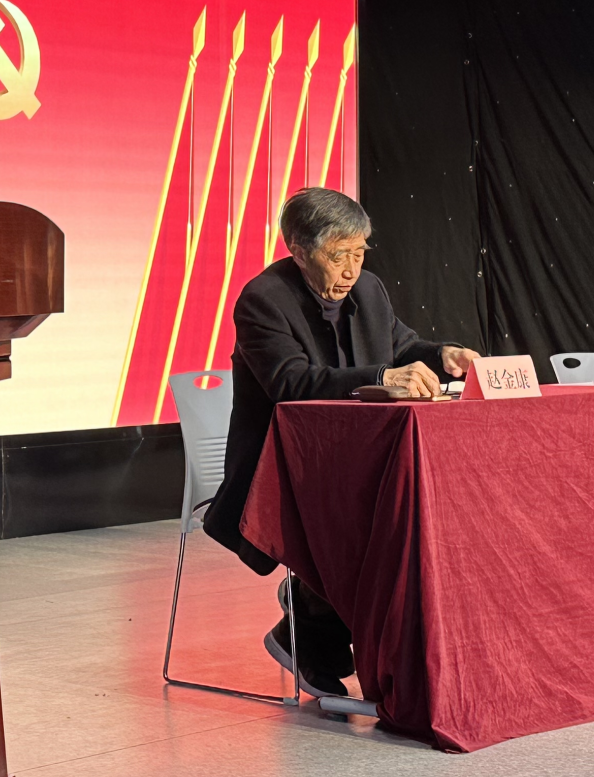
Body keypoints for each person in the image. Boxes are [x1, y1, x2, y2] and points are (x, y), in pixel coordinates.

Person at [201, 187, 479, 697]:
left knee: (411, 502)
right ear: (299, 251)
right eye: (338, 256)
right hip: (280, 463)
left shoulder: (368, 289)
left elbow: (402, 346)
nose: (351, 269)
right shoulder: (263, 300)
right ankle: (314, 621)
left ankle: (320, 620)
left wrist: (444, 355)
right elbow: (290, 383)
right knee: (364, 511)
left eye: (359, 253)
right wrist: (381, 377)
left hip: (356, 453)